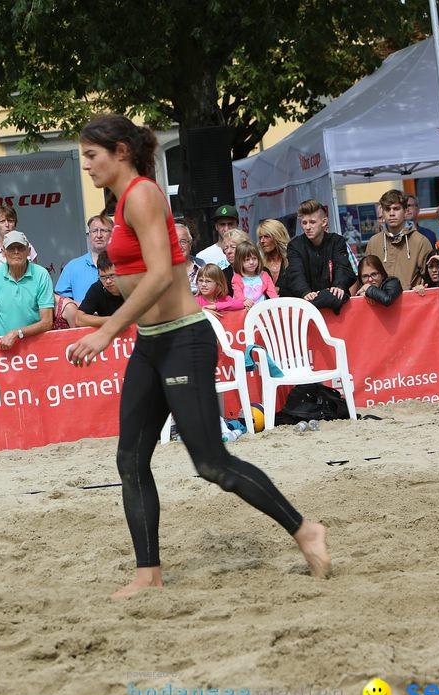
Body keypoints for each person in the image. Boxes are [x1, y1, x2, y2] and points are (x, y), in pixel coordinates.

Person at [66, 114, 329, 599]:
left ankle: (304, 529)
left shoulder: (143, 193)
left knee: (212, 463)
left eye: (91, 155)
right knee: (131, 459)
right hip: (152, 342)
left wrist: (106, 332)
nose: (85, 165)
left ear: (120, 151)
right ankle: (148, 572)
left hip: (184, 339)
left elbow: (164, 274)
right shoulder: (123, 200)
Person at [0, 231, 53, 348]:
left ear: (28, 251)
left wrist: (17, 333)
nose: (16, 252)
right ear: (3, 252)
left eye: (20, 248)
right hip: (1, 347)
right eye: (11, 248)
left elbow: (47, 322)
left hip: (34, 347)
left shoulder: (41, 275)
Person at [280, 199, 356, 313]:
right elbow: (295, 272)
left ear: (324, 222)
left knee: (336, 296)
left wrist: (339, 286)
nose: (307, 227)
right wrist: (305, 292)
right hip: (306, 304)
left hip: (332, 301)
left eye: (312, 222)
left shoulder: (337, 241)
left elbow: (343, 266)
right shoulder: (294, 245)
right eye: (304, 223)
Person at [363, 190, 432, 291]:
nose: (391, 213)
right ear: (383, 212)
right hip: (380, 303)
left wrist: (423, 286)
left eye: (396, 209)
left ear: (405, 211)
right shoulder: (373, 242)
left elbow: (430, 277)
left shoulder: (420, 241)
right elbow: (365, 276)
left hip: (412, 302)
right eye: (387, 209)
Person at [56, 215, 113, 303]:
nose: (99, 235)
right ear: (89, 234)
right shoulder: (72, 266)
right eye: (94, 231)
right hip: (82, 315)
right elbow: (60, 299)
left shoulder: (121, 263)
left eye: (103, 230)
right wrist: (81, 308)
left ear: (112, 234)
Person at [75, 250, 124, 327]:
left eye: (112, 276)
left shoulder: (133, 286)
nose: (108, 281)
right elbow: (79, 319)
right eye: (103, 277)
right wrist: (113, 320)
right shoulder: (97, 289)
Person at [0, 206, 36, 275]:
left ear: (15, 224)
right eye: (2, 221)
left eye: (10, 221)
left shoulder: (27, 247)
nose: (7, 225)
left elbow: (35, 275)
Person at [229, 240, 278, 309]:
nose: (251, 262)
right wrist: (244, 300)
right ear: (240, 262)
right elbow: (237, 294)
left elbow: (271, 291)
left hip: (261, 310)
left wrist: (277, 302)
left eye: (254, 258)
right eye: (247, 259)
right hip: (244, 310)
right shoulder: (237, 277)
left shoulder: (264, 275)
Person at [256, 218, 290, 287]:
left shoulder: (292, 261)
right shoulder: (258, 265)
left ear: (277, 237)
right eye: (260, 237)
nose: (262, 241)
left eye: (266, 236)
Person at [175, 222, 205, 294]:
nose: (179, 247)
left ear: (190, 245)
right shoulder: (162, 271)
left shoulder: (202, 268)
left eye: (183, 241)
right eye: (174, 242)